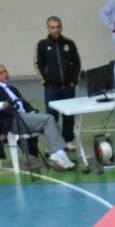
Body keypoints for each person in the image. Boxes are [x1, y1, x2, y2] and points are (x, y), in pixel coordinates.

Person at [0, 63, 77, 171]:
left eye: (5, 71)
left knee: (54, 125)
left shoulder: (12, 89)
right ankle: (59, 154)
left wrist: (33, 112)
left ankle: (59, 154)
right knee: (49, 119)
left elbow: (25, 104)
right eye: (1, 73)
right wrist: (3, 105)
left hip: (24, 117)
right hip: (12, 120)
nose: (5, 74)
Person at [34, 16, 86, 167]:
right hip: (52, 89)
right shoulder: (42, 45)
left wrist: (74, 81)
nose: (56, 29)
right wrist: (46, 82)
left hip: (68, 87)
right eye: (53, 27)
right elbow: (38, 65)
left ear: (61, 27)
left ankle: (68, 140)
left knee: (69, 115)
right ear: (48, 28)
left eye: (58, 27)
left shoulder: (69, 43)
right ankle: (54, 144)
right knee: (51, 117)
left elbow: (77, 62)